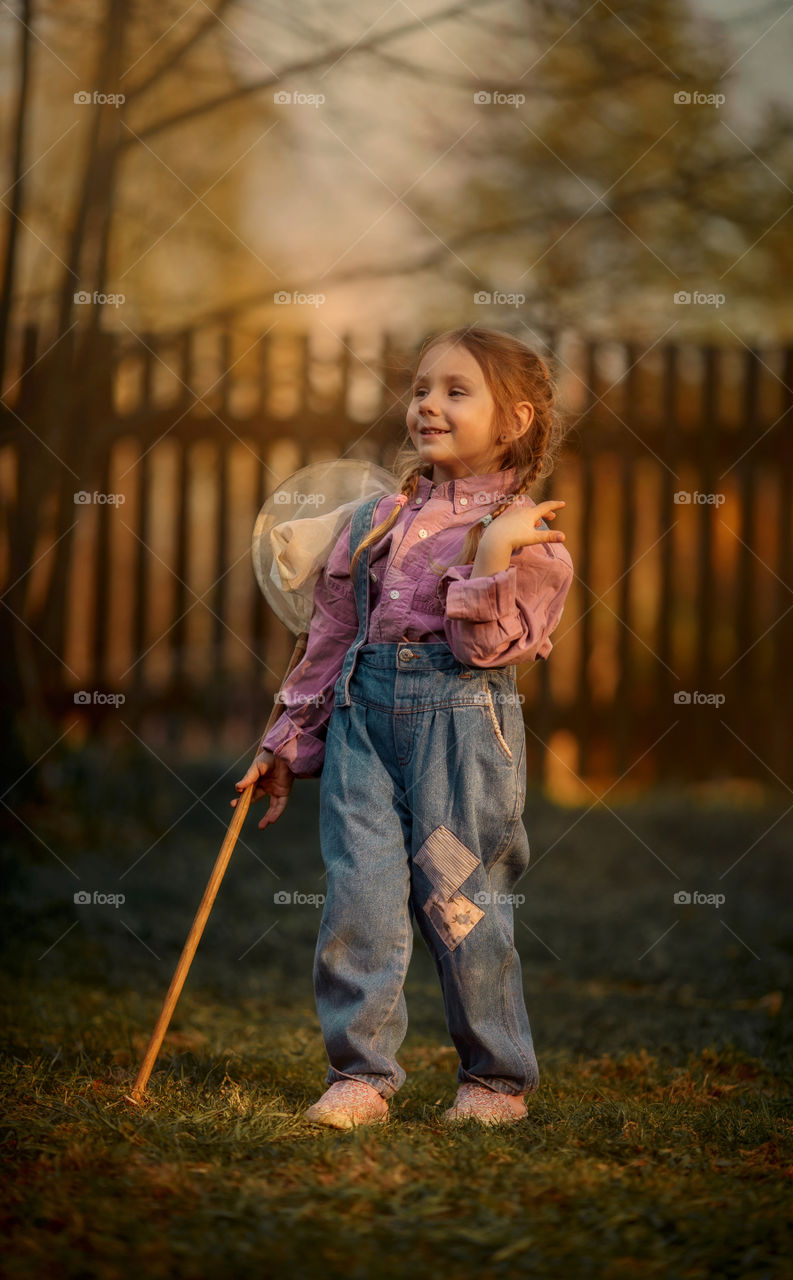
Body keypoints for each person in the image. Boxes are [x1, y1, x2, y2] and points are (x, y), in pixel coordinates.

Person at [232, 325, 574, 1129]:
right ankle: (360, 1074)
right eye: (422, 388)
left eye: (457, 391)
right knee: (359, 896)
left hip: (458, 730)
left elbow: (484, 647)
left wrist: (490, 552)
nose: (427, 404)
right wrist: (287, 739)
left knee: (462, 897)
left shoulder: (530, 538)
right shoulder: (372, 522)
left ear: (514, 421)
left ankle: (493, 1081)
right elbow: (329, 638)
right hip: (360, 723)